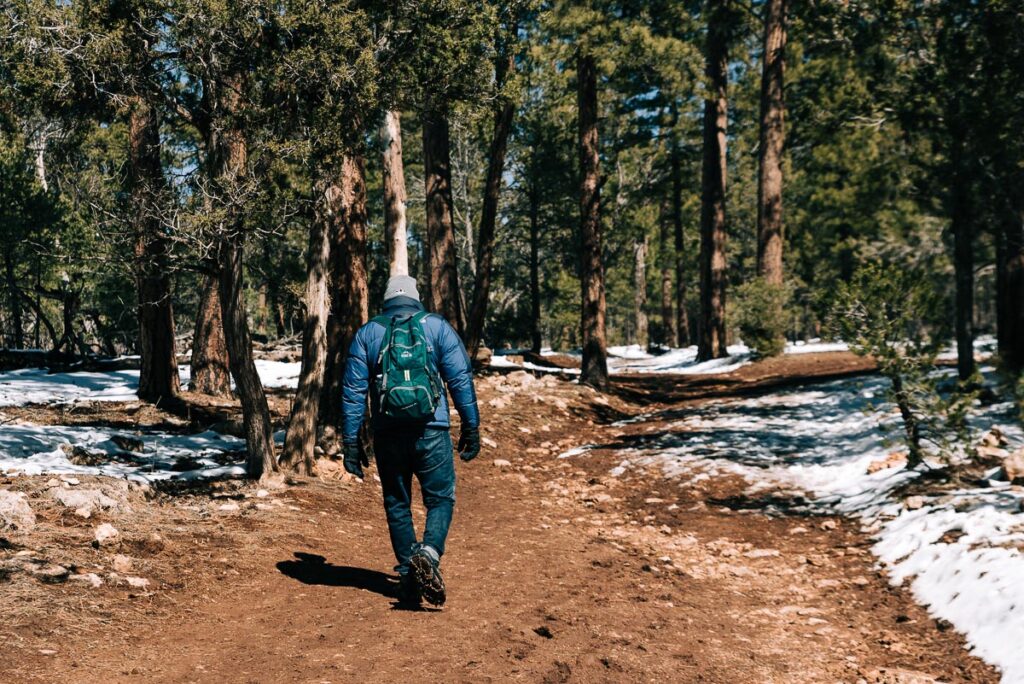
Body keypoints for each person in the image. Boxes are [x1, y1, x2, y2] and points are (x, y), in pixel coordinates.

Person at [341, 275, 481, 607]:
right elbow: (460, 378)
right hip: (431, 429)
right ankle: (429, 555)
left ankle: (408, 575)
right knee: (440, 500)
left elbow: (353, 393)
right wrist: (471, 427)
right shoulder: (437, 327)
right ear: (416, 298)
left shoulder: (369, 333)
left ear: (387, 298)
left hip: (388, 434)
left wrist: (350, 443)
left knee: (397, 503)